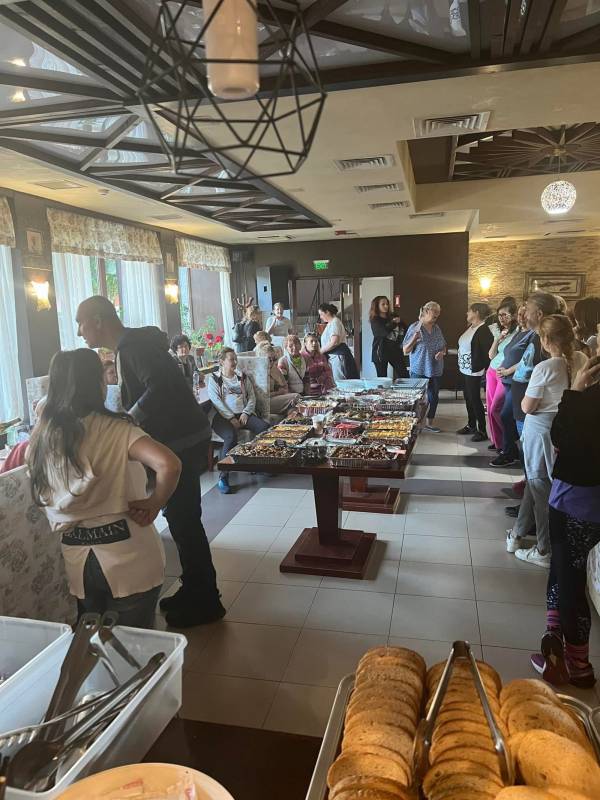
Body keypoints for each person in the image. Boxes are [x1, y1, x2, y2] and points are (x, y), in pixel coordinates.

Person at [75, 296, 224, 629]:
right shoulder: (131, 346)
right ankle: (193, 588)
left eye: (80, 323)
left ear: (98, 320)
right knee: (182, 519)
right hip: (186, 437)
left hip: (182, 441)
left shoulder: (133, 347)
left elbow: (160, 386)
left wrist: (130, 418)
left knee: (185, 522)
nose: (79, 331)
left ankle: (207, 601)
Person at [27, 349, 182, 628]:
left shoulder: (43, 435)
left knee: (93, 643)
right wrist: (155, 502)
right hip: (128, 554)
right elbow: (169, 465)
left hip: (78, 559)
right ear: (98, 383)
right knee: (132, 645)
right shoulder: (118, 429)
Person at [530, 352, 600, 688]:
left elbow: (561, 437)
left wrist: (574, 392)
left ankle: (578, 665)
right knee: (563, 573)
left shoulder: (590, 399)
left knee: (568, 581)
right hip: (585, 500)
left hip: (575, 499)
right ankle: (555, 647)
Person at [506, 315, 588, 568]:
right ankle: (517, 534)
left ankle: (544, 549)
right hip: (567, 428)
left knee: (541, 489)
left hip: (541, 431)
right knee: (534, 483)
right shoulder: (581, 359)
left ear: (545, 339)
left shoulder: (546, 367)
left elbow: (527, 407)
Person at [490, 293, 559, 467]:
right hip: (522, 399)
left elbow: (539, 372)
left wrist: (508, 372)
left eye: (527, 310)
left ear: (539, 314)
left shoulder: (542, 340)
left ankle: (528, 475)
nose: (524, 315)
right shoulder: (535, 336)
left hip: (531, 406)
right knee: (526, 448)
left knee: (532, 456)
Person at [208, 347, 270, 495]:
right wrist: (230, 417)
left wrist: (246, 412)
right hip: (222, 417)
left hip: (243, 414)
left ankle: (257, 465)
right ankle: (223, 477)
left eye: (235, 359)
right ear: (222, 361)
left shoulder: (242, 376)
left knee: (264, 428)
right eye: (231, 359)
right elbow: (216, 401)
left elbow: (251, 397)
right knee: (230, 436)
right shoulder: (214, 379)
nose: (235, 362)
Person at [403, 301, 447, 432]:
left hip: (435, 369)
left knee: (434, 398)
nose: (437, 315)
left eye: (439, 313)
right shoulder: (415, 327)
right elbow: (405, 350)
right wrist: (414, 339)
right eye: (435, 312)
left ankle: (429, 423)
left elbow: (444, 346)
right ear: (427, 311)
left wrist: (442, 353)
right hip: (419, 369)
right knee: (416, 399)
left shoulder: (437, 328)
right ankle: (414, 423)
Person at [456, 302, 494, 442]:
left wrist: (483, 368)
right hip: (464, 369)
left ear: (476, 312)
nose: (467, 313)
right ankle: (471, 425)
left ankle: (482, 430)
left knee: (475, 399)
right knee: (468, 398)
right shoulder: (471, 327)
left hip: (473, 371)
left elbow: (486, 353)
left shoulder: (483, 330)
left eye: (469, 311)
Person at [486, 300, 518, 452]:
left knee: (495, 409)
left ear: (514, 315)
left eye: (505, 315)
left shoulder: (518, 332)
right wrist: (497, 339)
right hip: (492, 370)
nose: (502, 318)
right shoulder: (502, 331)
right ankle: (498, 442)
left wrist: (508, 371)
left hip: (504, 373)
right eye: (500, 315)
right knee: (490, 409)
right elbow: (491, 355)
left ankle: (509, 441)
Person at [369, 295, 407, 378]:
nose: (386, 306)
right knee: (382, 378)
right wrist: (393, 323)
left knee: (404, 374)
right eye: (383, 304)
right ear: (377, 306)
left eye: (387, 304)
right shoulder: (375, 320)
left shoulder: (393, 315)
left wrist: (400, 322)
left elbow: (404, 327)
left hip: (395, 350)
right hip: (381, 351)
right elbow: (383, 332)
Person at [318, 303, 359, 382]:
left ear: (327, 312)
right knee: (337, 381)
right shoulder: (331, 323)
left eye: (321, 314)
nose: (320, 317)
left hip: (338, 356)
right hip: (335, 357)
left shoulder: (335, 322)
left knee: (341, 382)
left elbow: (334, 342)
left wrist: (320, 351)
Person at [263, 344, 299, 416]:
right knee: (296, 397)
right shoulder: (258, 372)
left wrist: (282, 391)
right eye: (269, 359)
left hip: (277, 397)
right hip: (265, 402)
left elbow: (284, 386)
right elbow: (262, 396)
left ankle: (293, 421)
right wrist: (278, 393)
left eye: (274, 359)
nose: (272, 362)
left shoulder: (274, 368)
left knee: (293, 409)